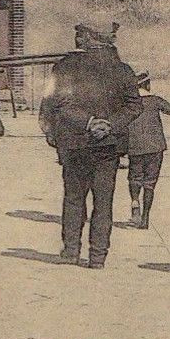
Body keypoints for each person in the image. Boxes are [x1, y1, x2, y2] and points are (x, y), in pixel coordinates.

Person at [39, 23, 140, 269]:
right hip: (108, 145)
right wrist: (110, 125)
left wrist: (88, 123)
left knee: (73, 198)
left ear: (89, 38)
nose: (76, 38)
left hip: (75, 144)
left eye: (79, 34)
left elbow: (54, 105)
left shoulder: (63, 67)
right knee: (104, 202)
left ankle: (71, 251)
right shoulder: (124, 70)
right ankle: (97, 257)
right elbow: (134, 105)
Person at [127, 75, 166, 230]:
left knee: (135, 178)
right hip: (155, 148)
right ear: (147, 84)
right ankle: (145, 218)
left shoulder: (129, 103)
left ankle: (135, 202)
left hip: (135, 147)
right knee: (150, 183)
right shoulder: (155, 100)